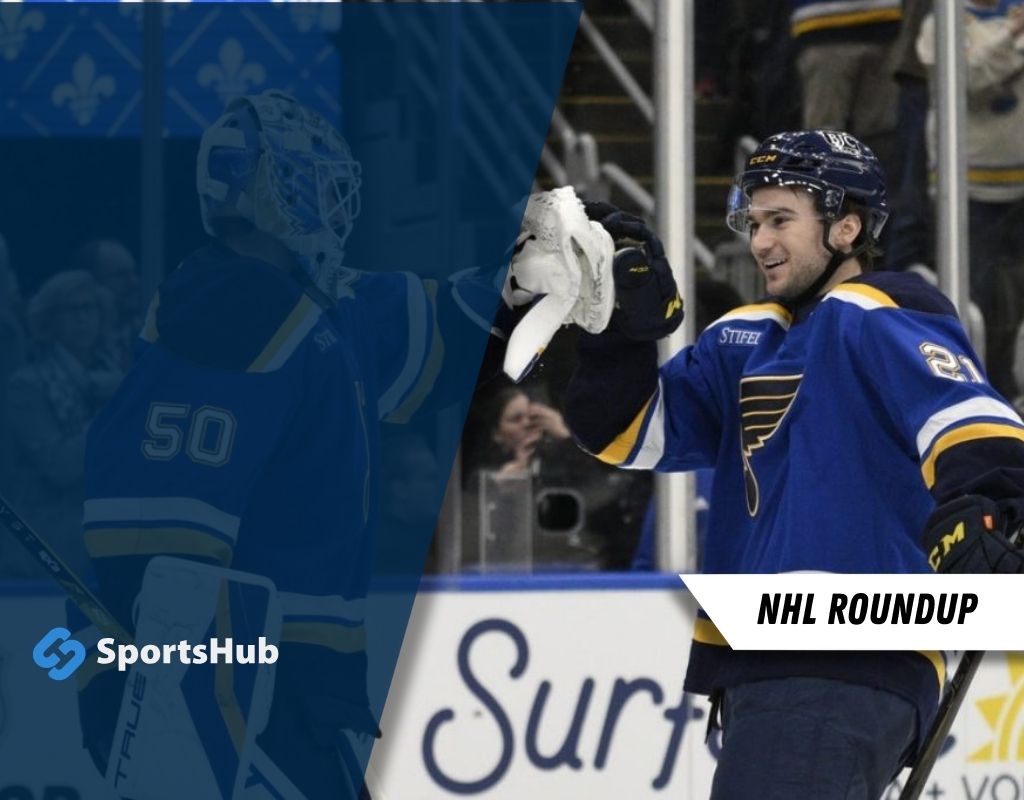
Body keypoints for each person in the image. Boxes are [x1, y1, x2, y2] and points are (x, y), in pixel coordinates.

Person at [550, 130, 1024, 798]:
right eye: (753, 221)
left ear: (846, 227)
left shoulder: (874, 310)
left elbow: (968, 416)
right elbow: (625, 434)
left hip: (844, 652)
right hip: (774, 666)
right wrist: (614, 336)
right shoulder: (746, 338)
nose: (760, 241)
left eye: (781, 220)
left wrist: (989, 503)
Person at [74, 90, 510, 799]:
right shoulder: (235, 309)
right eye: (317, 183)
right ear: (270, 190)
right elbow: (159, 541)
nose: (334, 204)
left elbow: (436, 329)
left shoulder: (314, 308)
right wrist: (165, 703)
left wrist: (533, 277)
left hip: (302, 691)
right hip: (249, 696)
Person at [918, 1, 1024, 397]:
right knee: (979, 306)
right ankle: (979, 395)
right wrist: (1011, 39)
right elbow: (965, 80)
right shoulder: (942, 23)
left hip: (1020, 182)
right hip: (968, 188)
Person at [3, 270, 121, 579]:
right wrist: (114, 412)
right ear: (49, 318)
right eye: (72, 309)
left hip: (105, 537)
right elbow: (60, 466)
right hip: (45, 549)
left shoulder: (114, 378)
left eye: (90, 308)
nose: (83, 318)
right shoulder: (25, 386)